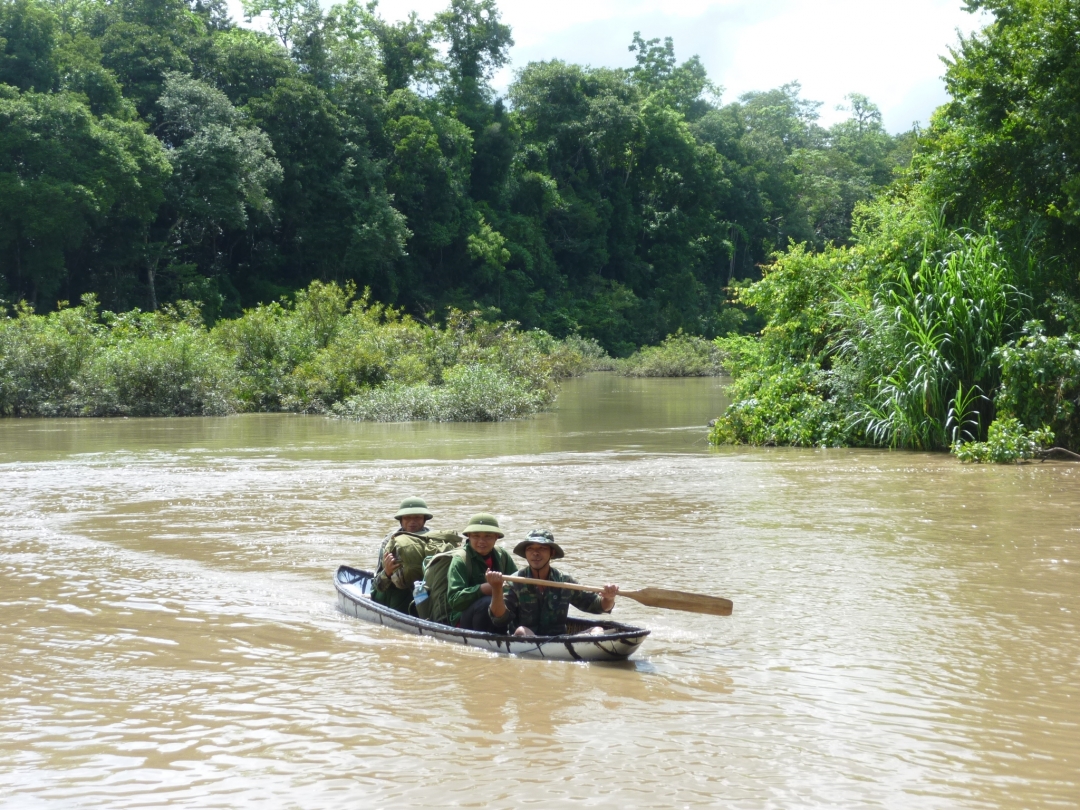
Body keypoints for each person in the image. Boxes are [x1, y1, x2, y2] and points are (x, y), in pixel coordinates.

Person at [486, 529, 618, 637]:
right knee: (521, 631)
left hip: (559, 641)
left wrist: (609, 598)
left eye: (542, 548)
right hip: (526, 640)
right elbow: (499, 619)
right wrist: (496, 589)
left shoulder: (564, 581)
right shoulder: (514, 582)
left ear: (552, 552)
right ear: (525, 553)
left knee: (597, 631)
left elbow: (598, 606)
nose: (535, 553)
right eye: (530, 549)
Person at [446, 513, 517, 631]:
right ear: (469, 536)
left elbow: (516, 584)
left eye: (488, 536)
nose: (481, 541)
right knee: (486, 602)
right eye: (476, 536)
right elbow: (454, 600)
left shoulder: (502, 555)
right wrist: (483, 589)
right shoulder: (461, 560)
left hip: (498, 614)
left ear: (496, 537)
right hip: (465, 618)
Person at [371, 497, 433, 613]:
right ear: (401, 520)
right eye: (407, 518)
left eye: (417, 517)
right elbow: (377, 586)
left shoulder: (434, 540)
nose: (412, 522)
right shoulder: (390, 542)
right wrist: (387, 572)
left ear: (424, 519)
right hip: (396, 594)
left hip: (426, 591)